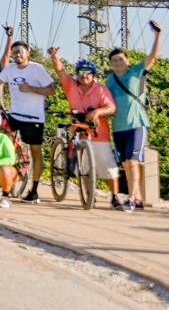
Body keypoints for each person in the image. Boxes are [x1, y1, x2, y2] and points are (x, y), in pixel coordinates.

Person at [0, 37, 55, 203]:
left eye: (20, 52)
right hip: (15, 115)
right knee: (2, 144)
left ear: (27, 53)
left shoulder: (37, 69)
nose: (17, 55)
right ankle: (2, 182)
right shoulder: (10, 69)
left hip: (34, 117)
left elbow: (51, 90)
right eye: (14, 53)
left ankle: (34, 190)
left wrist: (31, 89)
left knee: (36, 152)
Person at [48, 47, 121, 210]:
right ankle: (89, 197)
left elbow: (112, 108)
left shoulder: (101, 90)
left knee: (108, 168)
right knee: (85, 169)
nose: (84, 75)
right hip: (78, 131)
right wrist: (54, 56)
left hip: (99, 134)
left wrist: (97, 112)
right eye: (81, 72)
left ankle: (115, 197)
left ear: (93, 75)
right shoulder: (71, 86)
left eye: (88, 72)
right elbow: (60, 70)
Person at [107, 20, 164, 212]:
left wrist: (158, 34)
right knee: (126, 164)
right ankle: (137, 198)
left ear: (128, 60)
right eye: (114, 61)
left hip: (136, 124)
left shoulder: (137, 72)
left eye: (121, 59)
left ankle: (131, 198)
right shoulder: (110, 80)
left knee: (132, 162)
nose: (118, 63)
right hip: (118, 126)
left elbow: (153, 56)